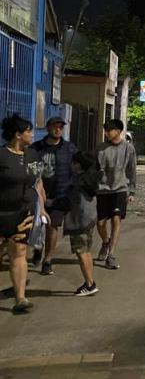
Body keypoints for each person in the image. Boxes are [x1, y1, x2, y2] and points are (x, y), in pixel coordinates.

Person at [0, 114, 46, 313]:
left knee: (19, 253)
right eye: (28, 131)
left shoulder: (33, 155)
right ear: (18, 135)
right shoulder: (2, 156)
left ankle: (20, 298)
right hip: (2, 213)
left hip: (23, 212)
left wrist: (42, 208)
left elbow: (38, 182)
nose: (31, 134)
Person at [30, 116, 77, 276]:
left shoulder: (69, 148)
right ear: (48, 128)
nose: (58, 129)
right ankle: (38, 247)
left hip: (60, 193)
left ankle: (48, 260)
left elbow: (76, 168)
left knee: (53, 226)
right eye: (55, 126)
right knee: (37, 226)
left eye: (60, 127)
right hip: (39, 193)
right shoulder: (36, 148)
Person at [96, 119, 137, 270]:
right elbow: (95, 169)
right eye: (105, 130)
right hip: (103, 189)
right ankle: (105, 242)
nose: (107, 133)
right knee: (100, 223)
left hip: (120, 189)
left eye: (110, 130)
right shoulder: (101, 149)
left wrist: (131, 190)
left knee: (116, 219)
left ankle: (111, 254)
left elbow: (132, 170)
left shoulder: (128, 148)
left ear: (119, 131)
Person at [64, 151, 100, 296]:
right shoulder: (91, 178)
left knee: (81, 252)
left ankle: (89, 284)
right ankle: (90, 282)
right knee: (87, 251)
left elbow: (71, 202)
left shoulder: (78, 181)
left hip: (79, 221)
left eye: (73, 162)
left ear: (78, 164)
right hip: (90, 219)